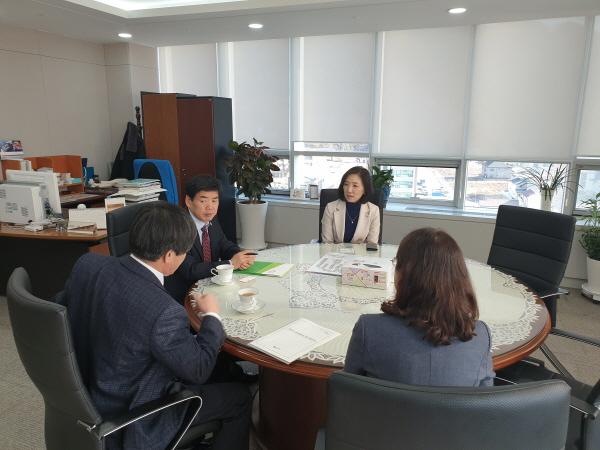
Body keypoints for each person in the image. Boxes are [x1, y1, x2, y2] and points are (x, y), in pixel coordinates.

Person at [55, 203, 251, 450]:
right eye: (184, 253)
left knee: (219, 370)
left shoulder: (88, 264)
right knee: (239, 397)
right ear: (169, 256)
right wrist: (211, 315)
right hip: (136, 413)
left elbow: (59, 313)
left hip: (87, 389)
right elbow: (198, 369)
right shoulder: (164, 311)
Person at [344, 227, 495, 387]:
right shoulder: (480, 337)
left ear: (402, 275)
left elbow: (345, 391)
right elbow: (486, 398)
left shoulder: (369, 330)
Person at [165, 175, 256, 303]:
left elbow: (223, 244)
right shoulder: (176, 227)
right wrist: (230, 264)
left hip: (210, 285)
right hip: (184, 294)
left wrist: (239, 256)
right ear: (189, 201)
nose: (210, 207)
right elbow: (190, 270)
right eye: (203, 201)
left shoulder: (210, 217)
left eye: (214, 201)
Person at [321, 166, 380, 244]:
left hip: (361, 252)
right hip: (335, 251)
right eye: (346, 184)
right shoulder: (331, 207)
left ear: (365, 190)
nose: (349, 190)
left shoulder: (374, 210)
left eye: (355, 186)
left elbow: (372, 244)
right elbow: (327, 243)